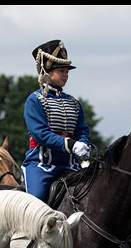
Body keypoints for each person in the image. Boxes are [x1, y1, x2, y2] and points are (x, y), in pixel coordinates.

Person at [21, 39, 91, 202]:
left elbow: (81, 130)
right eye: (61, 71)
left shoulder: (74, 102)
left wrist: (84, 144)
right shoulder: (35, 100)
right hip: (42, 164)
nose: (66, 75)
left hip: (70, 164)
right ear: (47, 72)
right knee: (35, 203)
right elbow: (40, 134)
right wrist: (71, 144)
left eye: (67, 71)